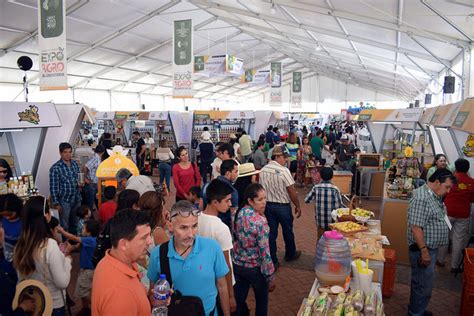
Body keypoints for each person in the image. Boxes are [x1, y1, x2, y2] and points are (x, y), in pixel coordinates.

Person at [147, 201, 230, 316]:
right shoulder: (158, 254)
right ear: (171, 226)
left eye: (194, 226)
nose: (191, 234)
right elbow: (152, 293)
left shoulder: (212, 247)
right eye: (184, 228)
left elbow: (222, 285)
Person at [407, 168, 456, 316]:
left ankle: (418, 309)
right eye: (447, 187)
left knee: (423, 283)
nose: (448, 191)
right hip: (423, 250)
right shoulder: (422, 198)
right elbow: (416, 228)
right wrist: (424, 251)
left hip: (429, 249)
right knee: (422, 285)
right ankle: (416, 313)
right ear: (436, 182)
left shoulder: (433, 195)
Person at [13, 196, 72, 316]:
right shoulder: (50, 245)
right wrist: (67, 261)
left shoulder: (20, 245)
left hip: (33, 306)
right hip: (53, 305)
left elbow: (20, 280)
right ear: (46, 215)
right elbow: (62, 283)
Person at [91, 209, 153, 315]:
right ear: (124, 244)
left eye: (149, 235)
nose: (150, 242)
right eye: (144, 237)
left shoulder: (108, 261)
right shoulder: (120, 294)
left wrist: (150, 301)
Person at [233, 183, 276, 315]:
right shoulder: (260, 221)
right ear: (250, 200)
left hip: (238, 265)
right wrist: (270, 276)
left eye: (265, 198)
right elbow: (265, 252)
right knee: (261, 303)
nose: (264, 203)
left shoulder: (238, 213)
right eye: (260, 199)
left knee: (238, 301)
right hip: (255, 268)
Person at [259, 146, 302, 267]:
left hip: (268, 206)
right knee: (287, 231)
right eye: (285, 157)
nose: (286, 160)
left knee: (271, 234)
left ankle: (273, 260)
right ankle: (290, 254)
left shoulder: (263, 170)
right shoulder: (284, 171)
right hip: (283, 206)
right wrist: (297, 206)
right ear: (277, 157)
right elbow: (291, 191)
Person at [198, 179, 237, 313]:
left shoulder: (197, 219)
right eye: (227, 200)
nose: (230, 204)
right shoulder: (221, 228)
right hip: (220, 285)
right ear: (215, 202)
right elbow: (226, 264)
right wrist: (231, 296)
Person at [437, 158, 474, 272]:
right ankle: (454, 266)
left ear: (456, 168)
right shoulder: (472, 182)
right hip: (463, 215)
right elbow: (472, 199)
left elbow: (440, 193)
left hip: (448, 213)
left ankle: (440, 260)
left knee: (444, 235)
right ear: (468, 169)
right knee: (458, 239)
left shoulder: (450, 179)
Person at [57, 220, 100, 315]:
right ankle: (86, 309)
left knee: (83, 293)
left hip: (88, 270)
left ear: (89, 232)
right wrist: (69, 248)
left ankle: (96, 308)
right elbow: (77, 245)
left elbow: (74, 238)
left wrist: (62, 232)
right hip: (85, 269)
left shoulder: (90, 240)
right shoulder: (90, 239)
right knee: (82, 290)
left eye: (84, 228)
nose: (82, 229)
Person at [49, 142, 82, 234]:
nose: (68, 154)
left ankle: (74, 243)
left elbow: (78, 178)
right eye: (65, 152)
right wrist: (56, 203)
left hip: (76, 198)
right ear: (60, 153)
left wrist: (80, 184)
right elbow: (53, 187)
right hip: (64, 201)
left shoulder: (75, 164)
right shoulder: (55, 168)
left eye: (70, 152)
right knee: (64, 225)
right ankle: (65, 245)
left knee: (75, 223)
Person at [304, 167, 345, 238]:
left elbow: (306, 200)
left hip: (320, 222)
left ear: (321, 176)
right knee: (331, 242)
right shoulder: (335, 189)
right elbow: (339, 206)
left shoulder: (316, 188)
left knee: (320, 241)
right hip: (332, 223)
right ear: (332, 177)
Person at [0, 194, 23, 315]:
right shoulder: (2, 220)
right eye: (3, 215)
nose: (7, 217)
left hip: (21, 261)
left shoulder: (24, 222)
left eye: (9, 214)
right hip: (5, 261)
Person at [202, 159, 239, 231]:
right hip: (223, 226)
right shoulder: (231, 191)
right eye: (235, 171)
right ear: (228, 173)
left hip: (205, 223)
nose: (237, 174)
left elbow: (201, 205)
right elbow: (233, 216)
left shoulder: (207, 185)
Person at [83, 144, 105, 212]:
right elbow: (85, 167)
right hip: (91, 184)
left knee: (95, 201)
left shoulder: (97, 157)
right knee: (90, 203)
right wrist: (85, 179)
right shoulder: (95, 158)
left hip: (95, 183)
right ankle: (90, 218)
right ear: (103, 152)